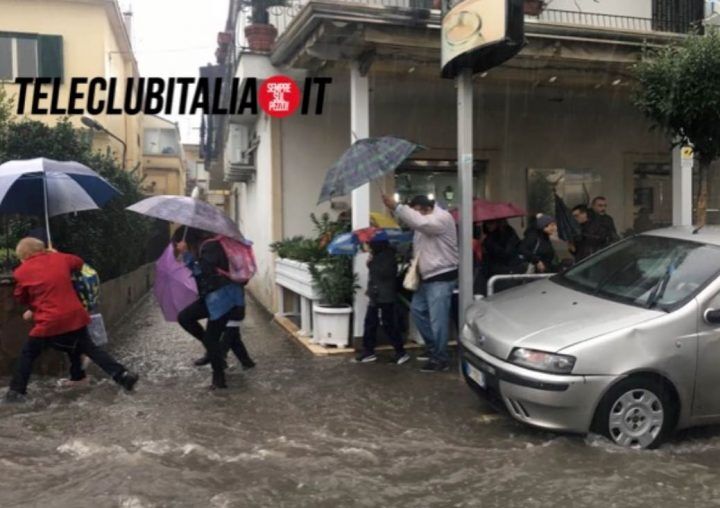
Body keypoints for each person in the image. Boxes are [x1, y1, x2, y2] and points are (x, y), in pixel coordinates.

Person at [4, 238, 138, 402]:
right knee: (89, 348)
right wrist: (56, 254)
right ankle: (122, 375)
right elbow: (79, 262)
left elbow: (21, 296)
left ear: (24, 255)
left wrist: (32, 307)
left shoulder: (21, 271)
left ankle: (16, 392)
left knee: (28, 353)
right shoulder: (61, 259)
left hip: (49, 322)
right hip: (75, 316)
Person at [382, 194, 458, 373]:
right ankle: (434, 349)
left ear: (425, 209)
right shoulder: (424, 221)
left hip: (441, 275)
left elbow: (421, 224)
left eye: (415, 212)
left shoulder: (441, 218)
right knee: (417, 311)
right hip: (426, 276)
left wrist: (398, 207)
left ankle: (441, 358)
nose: (414, 217)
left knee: (438, 320)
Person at [174, 227, 244, 390]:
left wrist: (186, 255)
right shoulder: (207, 246)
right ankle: (216, 353)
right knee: (185, 318)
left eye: (179, 242)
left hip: (223, 298)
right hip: (215, 297)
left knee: (211, 339)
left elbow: (204, 271)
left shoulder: (211, 246)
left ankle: (219, 379)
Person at [354, 234, 410, 365]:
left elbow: (384, 274)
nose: (367, 245)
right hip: (376, 295)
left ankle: (400, 351)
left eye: (369, 242)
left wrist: (371, 263)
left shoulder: (386, 256)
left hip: (384, 297)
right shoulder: (380, 256)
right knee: (371, 323)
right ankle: (369, 351)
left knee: (388, 324)